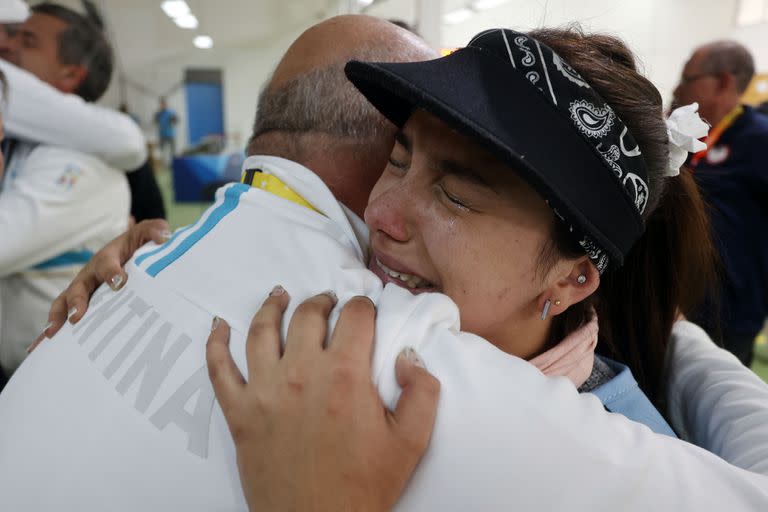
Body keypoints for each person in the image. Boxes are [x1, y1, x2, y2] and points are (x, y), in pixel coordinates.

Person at [10, 17, 768, 510]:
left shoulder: (606, 447)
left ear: (571, 278)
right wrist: (152, 250)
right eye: (397, 157)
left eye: (460, 197)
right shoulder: (349, 302)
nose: (381, 213)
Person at [0, 2, 130, 376]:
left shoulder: (82, 166)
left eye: (26, 40)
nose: (7, 46)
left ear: (71, 74)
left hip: (48, 376)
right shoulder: (26, 147)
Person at [673, 40, 768, 366]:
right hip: (676, 298)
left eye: (687, 78)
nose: (678, 88)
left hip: (730, 313)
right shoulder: (686, 139)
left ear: (724, 82)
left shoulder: (759, 140)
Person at [154, 96, 177, 165]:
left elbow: (176, 121)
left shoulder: (171, 112)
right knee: (161, 150)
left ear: (165, 104)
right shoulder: (158, 113)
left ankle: (174, 163)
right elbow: (155, 121)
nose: (162, 105)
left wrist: (173, 120)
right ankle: (162, 163)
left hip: (170, 134)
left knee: (172, 150)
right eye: (161, 104)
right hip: (162, 134)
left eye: (163, 104)